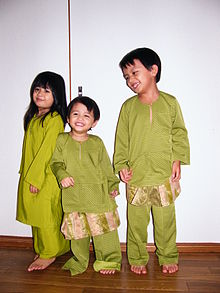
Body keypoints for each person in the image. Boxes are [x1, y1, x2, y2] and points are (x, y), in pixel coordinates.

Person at [113, 48, 190, 275]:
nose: (130, 80)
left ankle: (167, 255)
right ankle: (136, 256)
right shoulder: (128, 107)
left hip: (164, 175)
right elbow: (121, 141)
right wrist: (120, 166)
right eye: (126, 77)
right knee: (136, 223)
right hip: (137, 176)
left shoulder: (170, 103)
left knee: (166, 222)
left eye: (134, 73)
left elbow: (179, 133)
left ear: (153, 70)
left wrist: (177, 159)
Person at [50, 96, 122, 276]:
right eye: (75, 114)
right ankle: (79, 260)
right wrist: (62, 175)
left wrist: (113, 184)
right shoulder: (62, 140)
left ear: (94, 122)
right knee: (78, 232)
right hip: (74, 195)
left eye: (86, 116)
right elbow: (56, 163)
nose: (80, 119)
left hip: (98, 195)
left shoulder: (96, 143)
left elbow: (106, 166)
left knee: (104, 231)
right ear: (68, 118)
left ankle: (109, 260)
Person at [17, 71, 70, 272]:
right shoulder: (35, 116)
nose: (40, 93)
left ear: (57, 95)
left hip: (45, 176)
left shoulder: (54, 119)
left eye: (47, 90)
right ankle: (46, 248)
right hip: (31, 174)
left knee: (46, 215)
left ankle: (49, 252)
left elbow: (47, 152)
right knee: (35, 215)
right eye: (37, 89)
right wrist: (26, 173)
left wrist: (36, 179)